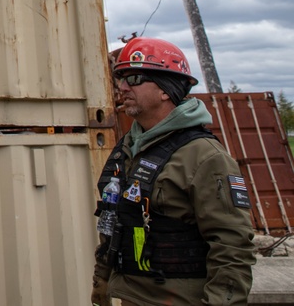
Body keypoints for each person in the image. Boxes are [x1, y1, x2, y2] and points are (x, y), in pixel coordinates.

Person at [91, 36, 256, 306]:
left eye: (134, 79)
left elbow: (232, 246)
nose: (122, 87)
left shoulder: (204, 156)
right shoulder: (128, 149)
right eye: (121, 78)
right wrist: (102, 285)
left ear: (166, 90)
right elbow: (114, 224)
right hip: (129, 295)